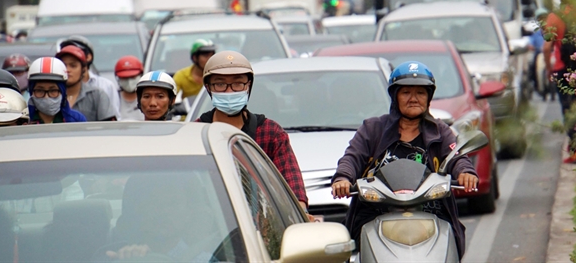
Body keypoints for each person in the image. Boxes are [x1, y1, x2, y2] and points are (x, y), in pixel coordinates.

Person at [330, 61, 478, 258]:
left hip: (430, 212)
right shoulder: (373, 129)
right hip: (376, 212)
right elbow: (352, 157)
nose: (413, 99)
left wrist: (466, 173)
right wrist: (343, 178)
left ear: (429, 98)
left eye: (420, 93)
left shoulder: (440, 131)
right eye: (406, 92)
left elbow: (456, 157)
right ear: (395, 96)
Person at [197, 50, 308, 211]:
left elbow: (293, 187)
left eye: (237, 84)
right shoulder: (197, 133)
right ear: (208, 87)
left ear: (248, 86)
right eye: (220, 84)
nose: (229, 91)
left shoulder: (270, 132)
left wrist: (301, 213)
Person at [543, 0, 576, 163]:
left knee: (568, 109)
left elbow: (546, 47)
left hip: (562, 69)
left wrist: (548, 69)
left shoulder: (554, 17)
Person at [59, 35, 121, 119]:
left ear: (83, 68)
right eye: (63, 65)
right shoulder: (50, 95)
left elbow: (111, 127)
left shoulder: (98, 94)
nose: (67, 70)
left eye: (73, 65)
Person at [27, 57, 86, 124]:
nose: (46, 97)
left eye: (53, 91)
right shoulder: (24, 122)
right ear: (32, 92)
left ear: (62, 92)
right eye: (40, 91)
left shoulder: (77, 120)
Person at [114, 56, 144, 121]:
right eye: (125, 78)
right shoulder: (113, 98)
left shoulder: (147, 98)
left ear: (141, 75)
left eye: (133, 77)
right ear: (118, 78)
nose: (129, 82)